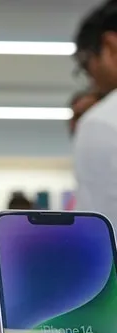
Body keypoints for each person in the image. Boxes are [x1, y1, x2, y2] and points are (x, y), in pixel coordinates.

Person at [73, 2, 117, 224]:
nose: (90, 79)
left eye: (85, 63)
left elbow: (100, 237)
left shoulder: (102, 122)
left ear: (110, 46)